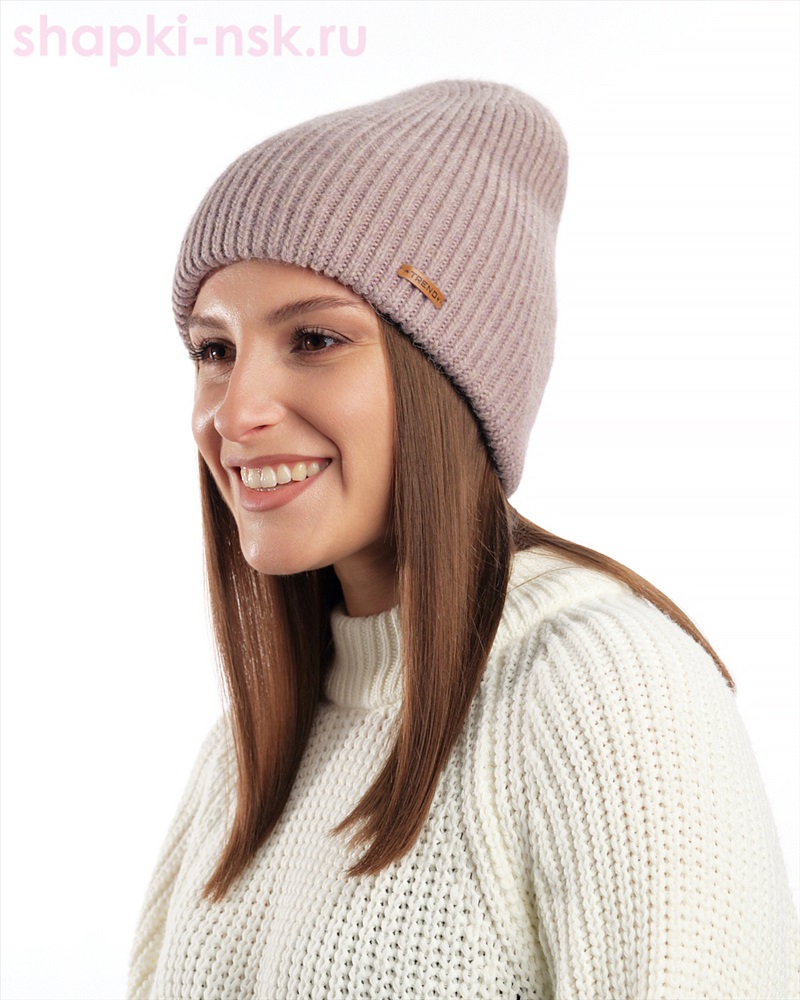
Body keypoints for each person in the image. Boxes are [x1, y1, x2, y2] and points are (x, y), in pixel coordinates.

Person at [128, 80, 799, 1000]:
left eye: (314, 339)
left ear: (450, 378)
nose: (234, 413)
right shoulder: (254, 748)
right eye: (214, 351)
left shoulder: (601, 691)